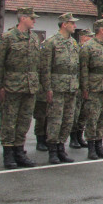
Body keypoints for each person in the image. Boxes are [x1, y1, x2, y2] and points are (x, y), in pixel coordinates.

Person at [0, 7, 40, 169]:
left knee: (24, 120)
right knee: (9, 121)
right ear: (23, 18)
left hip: (30, 86)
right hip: (12, 86)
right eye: (32, 18)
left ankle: (19, 151)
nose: (34, 21)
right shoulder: (8, 38)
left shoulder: (34, 38)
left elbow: (37, 64)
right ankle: (8, 153)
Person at [39, 12, 80, 164]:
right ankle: (52, 150)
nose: (75, 26)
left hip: (71, 87)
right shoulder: (51, 42)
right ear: (64, 24)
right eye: (72, 23)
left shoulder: (73, 43)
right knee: (55, 119)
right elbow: (45, 68)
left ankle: (61, 147)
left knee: (68, 120)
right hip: (56, 87)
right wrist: (47, 88)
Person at [80, 19, 103, 159]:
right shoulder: (88, 47)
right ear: (101, 30)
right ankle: (91, 147)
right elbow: (83, 70)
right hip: (94, 88)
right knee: (92, 117)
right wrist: (84, 88)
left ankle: (99, 144)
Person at [70, 29, 94, 148]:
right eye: (89, 37)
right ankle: (73, 137)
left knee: (84, 113)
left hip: (86, 84)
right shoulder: (77, 49)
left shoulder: (89, 49)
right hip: (76, 85)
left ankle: (80, 135)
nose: (91, 39)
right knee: (75, 112)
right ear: (83, 37)